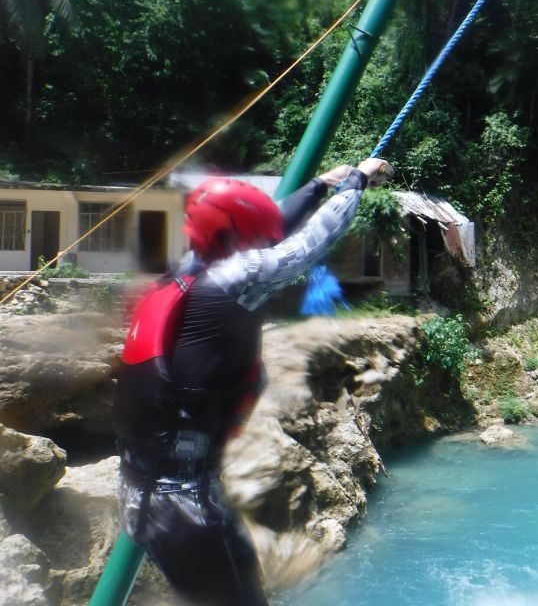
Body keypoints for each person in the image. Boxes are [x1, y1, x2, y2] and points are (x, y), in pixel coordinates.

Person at [112, 158, 390, 605]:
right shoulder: (231, 280)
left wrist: (321, 184)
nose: (266, 239)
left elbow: (265, 224)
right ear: (240, 240)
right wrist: (357, 181)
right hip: (181, 502)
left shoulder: (189, 269)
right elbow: (305, 247)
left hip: (145, 485)